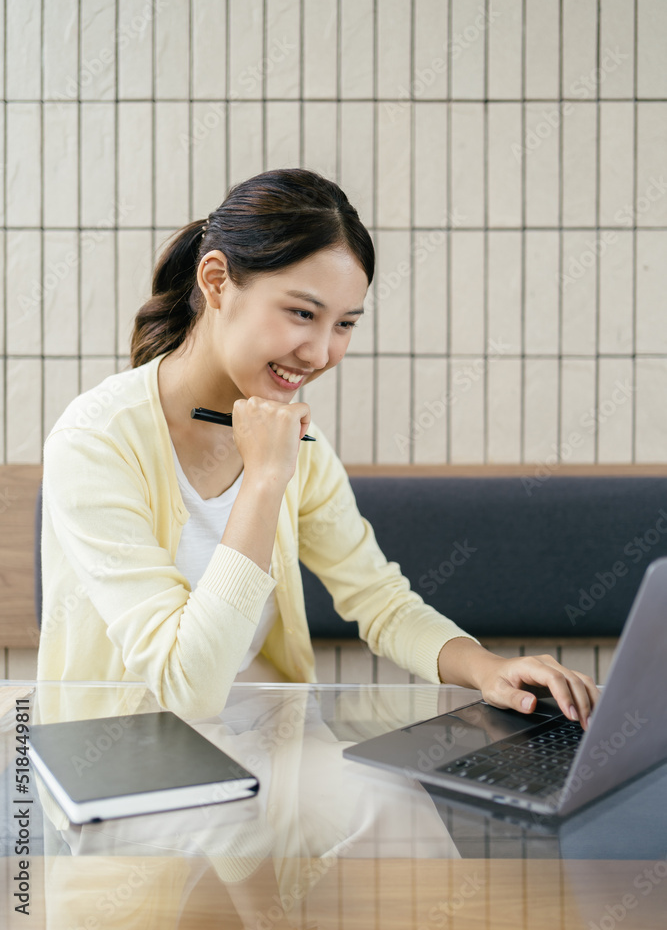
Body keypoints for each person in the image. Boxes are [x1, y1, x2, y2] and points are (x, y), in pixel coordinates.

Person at [37, 168, 599, 727]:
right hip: (120, 766)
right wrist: (263, 479)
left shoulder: (297, 443)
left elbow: (380, 599)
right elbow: (191, 687)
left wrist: (488, 669)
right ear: (215, 281)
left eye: (345, 324)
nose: (320, 353)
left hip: (260, 743)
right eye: (302, 314)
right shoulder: (96, 444)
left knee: (407, 804)